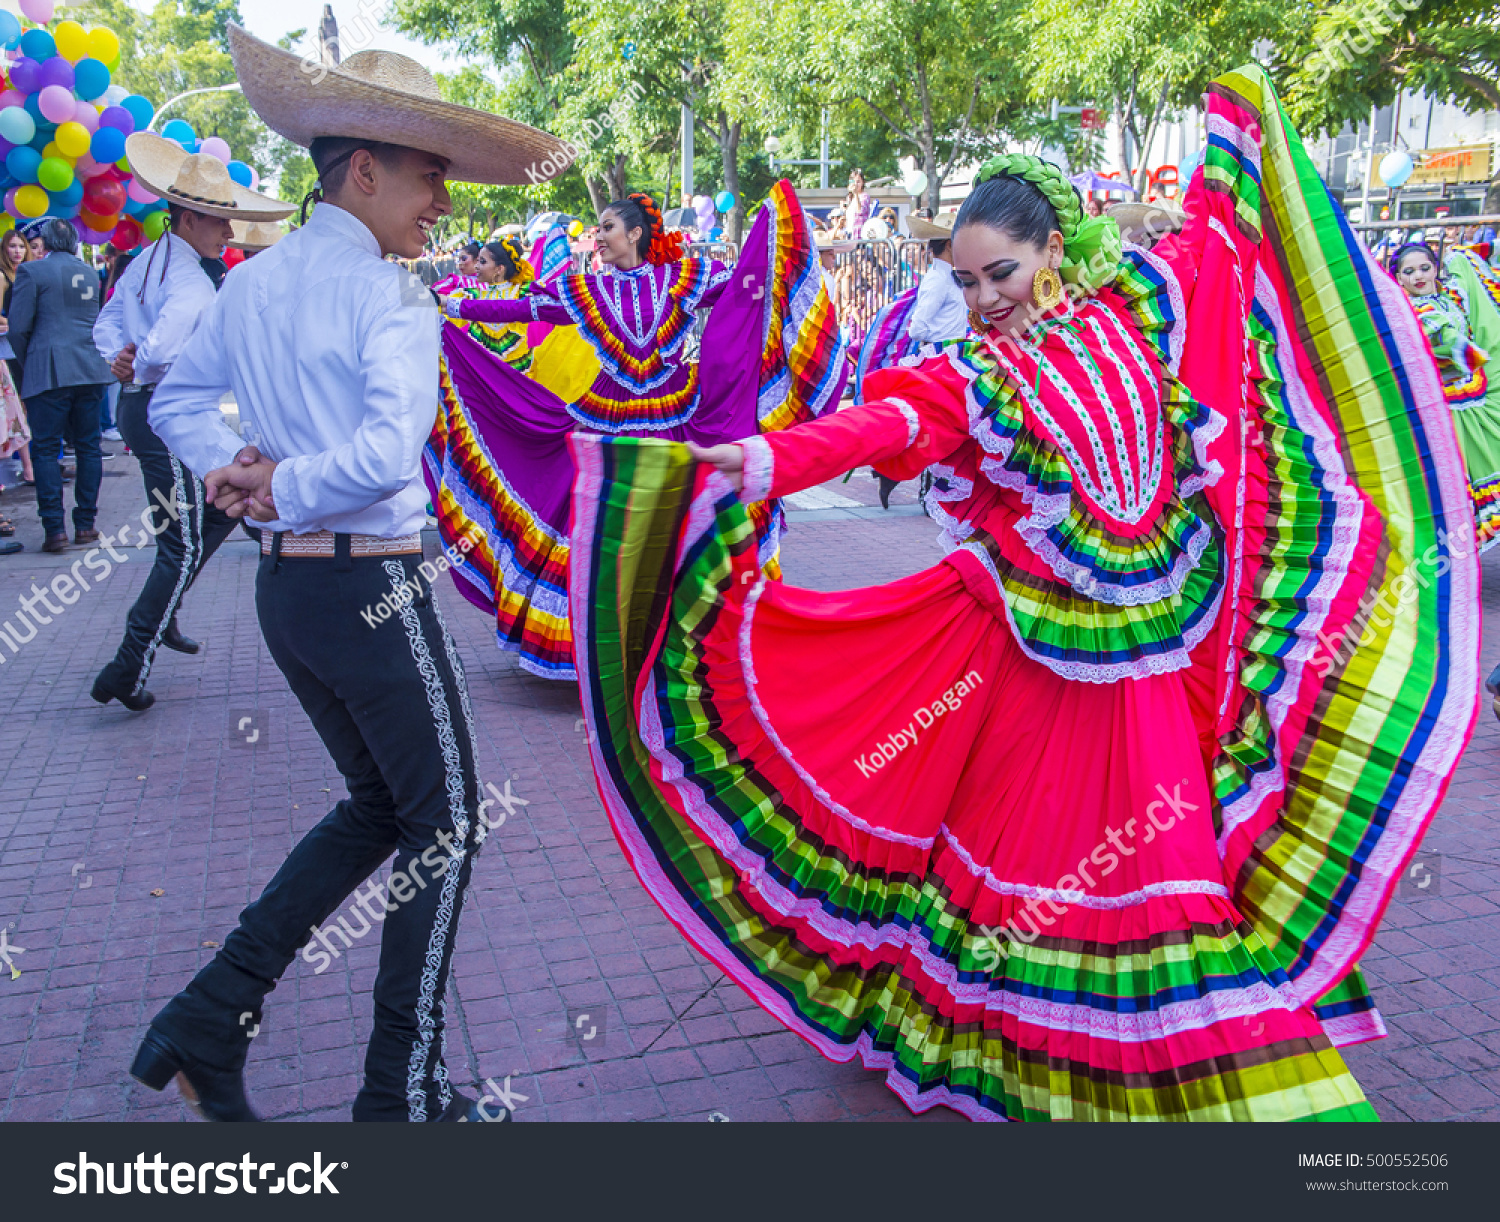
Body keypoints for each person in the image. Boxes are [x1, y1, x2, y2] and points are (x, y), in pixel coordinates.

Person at [567, 65, 1477, 1122]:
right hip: (1032, 667)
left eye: (999, 272)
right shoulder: (1000, 371)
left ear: (1053, 251)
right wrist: (769, 461)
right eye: (964, 285)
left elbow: (1220, 238)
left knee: (1117, 871)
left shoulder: (1139, 320)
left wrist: (1240, 122)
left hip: (1131, 684)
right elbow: (894, 427)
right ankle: (1037, 1046)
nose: (984, 298)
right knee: (1029, 855)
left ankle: (1178, 1065)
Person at [130, 22, 572, 1124]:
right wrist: (267, 482)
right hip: (369, 585)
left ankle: (211, 1011)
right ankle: (403, 1093)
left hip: (293, 596)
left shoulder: (255, 284)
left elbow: (173, 403)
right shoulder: (392, 298)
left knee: (384, 806)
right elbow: (382, 455)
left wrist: (235, 472)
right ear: (363, 169)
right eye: (431, 179)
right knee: (450, 820)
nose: (445, 206)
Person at [428, 185, 847, 680]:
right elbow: (524, 307)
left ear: (635, 233)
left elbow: (745, 289)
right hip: (607, 421)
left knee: (679, 528)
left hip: (677, 418)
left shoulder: (682, 278)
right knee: (603, 530)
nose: (597, 235)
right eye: (596, 227)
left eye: (606, 227)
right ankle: (607, 647)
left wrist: (777, 239)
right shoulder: (585, 289)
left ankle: (686, 642)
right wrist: (451, 309)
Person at [90, 133, 297, 713]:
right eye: (218, 221)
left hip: (150, 408)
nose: (228, 234)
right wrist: (141, 355)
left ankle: (163, 615)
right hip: (165, 413)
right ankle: (130, 661)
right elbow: (163, 350)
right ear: (187, 218)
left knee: (220, 504)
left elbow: (107, 324)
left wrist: (122, 354)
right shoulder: (189, 280)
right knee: (179, 545)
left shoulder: (147, 261)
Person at [7, 219, 111, 554]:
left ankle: (54, 530)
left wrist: (31, 362)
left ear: (46, 242)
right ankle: (86, 525)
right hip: (90, 368)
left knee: (47, 450)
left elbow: (18, 329)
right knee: (89, 447)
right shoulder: (89, 273)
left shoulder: (33, 272)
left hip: (48, 371)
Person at [0, 227, 33, 499]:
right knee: (17, 406)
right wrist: (15, 324)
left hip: (26, 346)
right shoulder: (3, 277)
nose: (17, 251)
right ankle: (28, 466)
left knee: (25, 404)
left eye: (21, 246)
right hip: (9, 349)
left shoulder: (28, 273)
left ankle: (30, 465)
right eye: (12, 246)